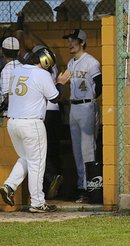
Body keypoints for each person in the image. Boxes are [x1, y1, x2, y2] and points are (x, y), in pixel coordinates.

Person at [0, 46, 71, 212]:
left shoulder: (17, 70)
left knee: (25, 158)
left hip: (13, 123)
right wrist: (60, 83)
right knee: (37, 163)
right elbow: (55, 97)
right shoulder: (42, 74)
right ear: (45, 61)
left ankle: (9, 185)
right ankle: (38, 203)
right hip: (31, 124)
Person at [16, 12, 64, 200]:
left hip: (42, 113)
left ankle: (50, 178)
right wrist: (32, 33)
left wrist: (22, 27)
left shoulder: (33, 69)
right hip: (53, 113)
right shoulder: (51, 67)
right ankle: (53, 179)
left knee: (38, 152)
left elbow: (21, 50)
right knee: (50, 149)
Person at [63, 29, 102, 203]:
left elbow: (99, 85)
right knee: (77, 149)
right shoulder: (71, 63)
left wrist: (92, 99)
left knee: (87, 148)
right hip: (74, 107)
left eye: (74, 41)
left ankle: (90, 187)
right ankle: (81, 186)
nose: (70, 43)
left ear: (82, 43)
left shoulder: (91, 62)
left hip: (87, 105)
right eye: (69, 40)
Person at [0, 37, 22, 117]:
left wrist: (1, 107)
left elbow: (9, 96)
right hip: (23, 112)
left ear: (2, 51)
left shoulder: (6, 70)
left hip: (10, 114)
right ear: (19, 52)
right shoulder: (24, 67)